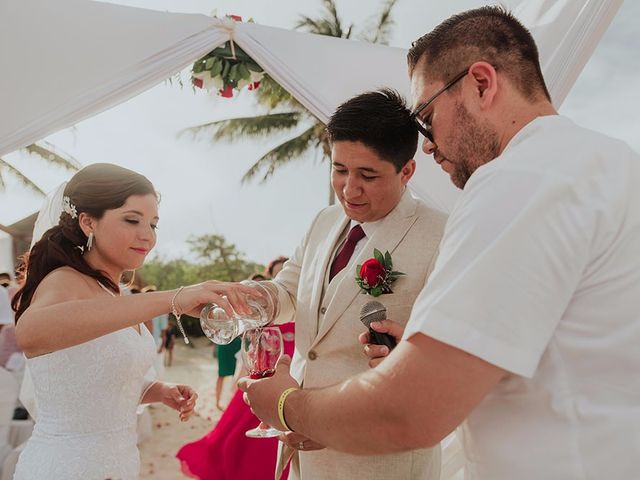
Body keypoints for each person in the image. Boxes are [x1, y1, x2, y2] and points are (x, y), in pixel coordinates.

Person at [239, 6, 640, 480]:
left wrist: (286, 405)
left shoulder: (516, 181)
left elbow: (412, 409)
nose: (426, 144)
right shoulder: (616, 163)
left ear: (482, 84)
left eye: (427, 116)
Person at [235, 90, 447, 479]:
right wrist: (249, 298)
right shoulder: (324, 221)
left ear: (407, 171)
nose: (350, 189)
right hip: (302, 449)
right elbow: (288, 291)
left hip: (381, 461)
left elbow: (441, 358)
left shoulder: (442, 235)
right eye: (339, 170)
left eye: (368, 175)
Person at [10, 163, 258, 480]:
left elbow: (94, 381)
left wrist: (158, 390)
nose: (147, 236)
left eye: (153, 224)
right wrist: (171, 299)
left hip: (118, 465)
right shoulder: (64, 280)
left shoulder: (115, 294)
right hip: (67, 467)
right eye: (132, 220)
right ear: (88, 222)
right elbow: (31, 334)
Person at [177, 321, 296, 480]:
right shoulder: (269, 322)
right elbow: (252, 352)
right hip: (264, 382)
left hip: (291, 389)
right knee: (237, 442)